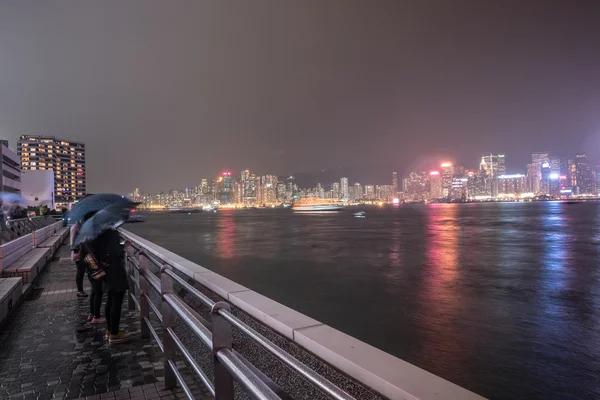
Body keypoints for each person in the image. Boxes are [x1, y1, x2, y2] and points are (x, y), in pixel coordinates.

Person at [86, 228, 131, 344]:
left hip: (105, 271)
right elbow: (115, 252)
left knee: (110, 300)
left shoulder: (93, 232)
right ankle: (115, 333)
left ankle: (110, 330)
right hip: (114, 270)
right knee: (116, 302)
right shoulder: (109, 232)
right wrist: (123, 245)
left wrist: (121, 243)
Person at [71, 220, 88, 298]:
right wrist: (76, 253)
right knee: (80, 271)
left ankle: (80, 290)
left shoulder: (80, 225)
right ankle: (80, 290)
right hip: (78, 252)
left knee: (82, 271)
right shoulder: (76, 227)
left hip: (82, 252)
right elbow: (74, 241)